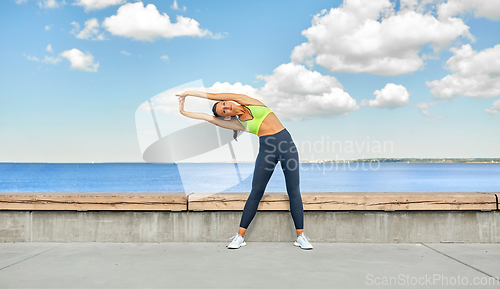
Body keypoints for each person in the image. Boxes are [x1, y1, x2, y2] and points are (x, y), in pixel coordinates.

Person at [176, 90, 313, 250]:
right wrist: (183, 111)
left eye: (225, 104)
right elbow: (209, 118)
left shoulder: (247, 101)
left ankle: (300, 236)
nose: (227, 107)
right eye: (224, 111)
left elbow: (213, 95)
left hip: (287, 146)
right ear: (226, 116)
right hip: (267, 151)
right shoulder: (238, 123)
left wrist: (189, 93)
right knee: (256, 192)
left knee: (293, 190)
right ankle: (240, 236)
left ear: (228, 101)